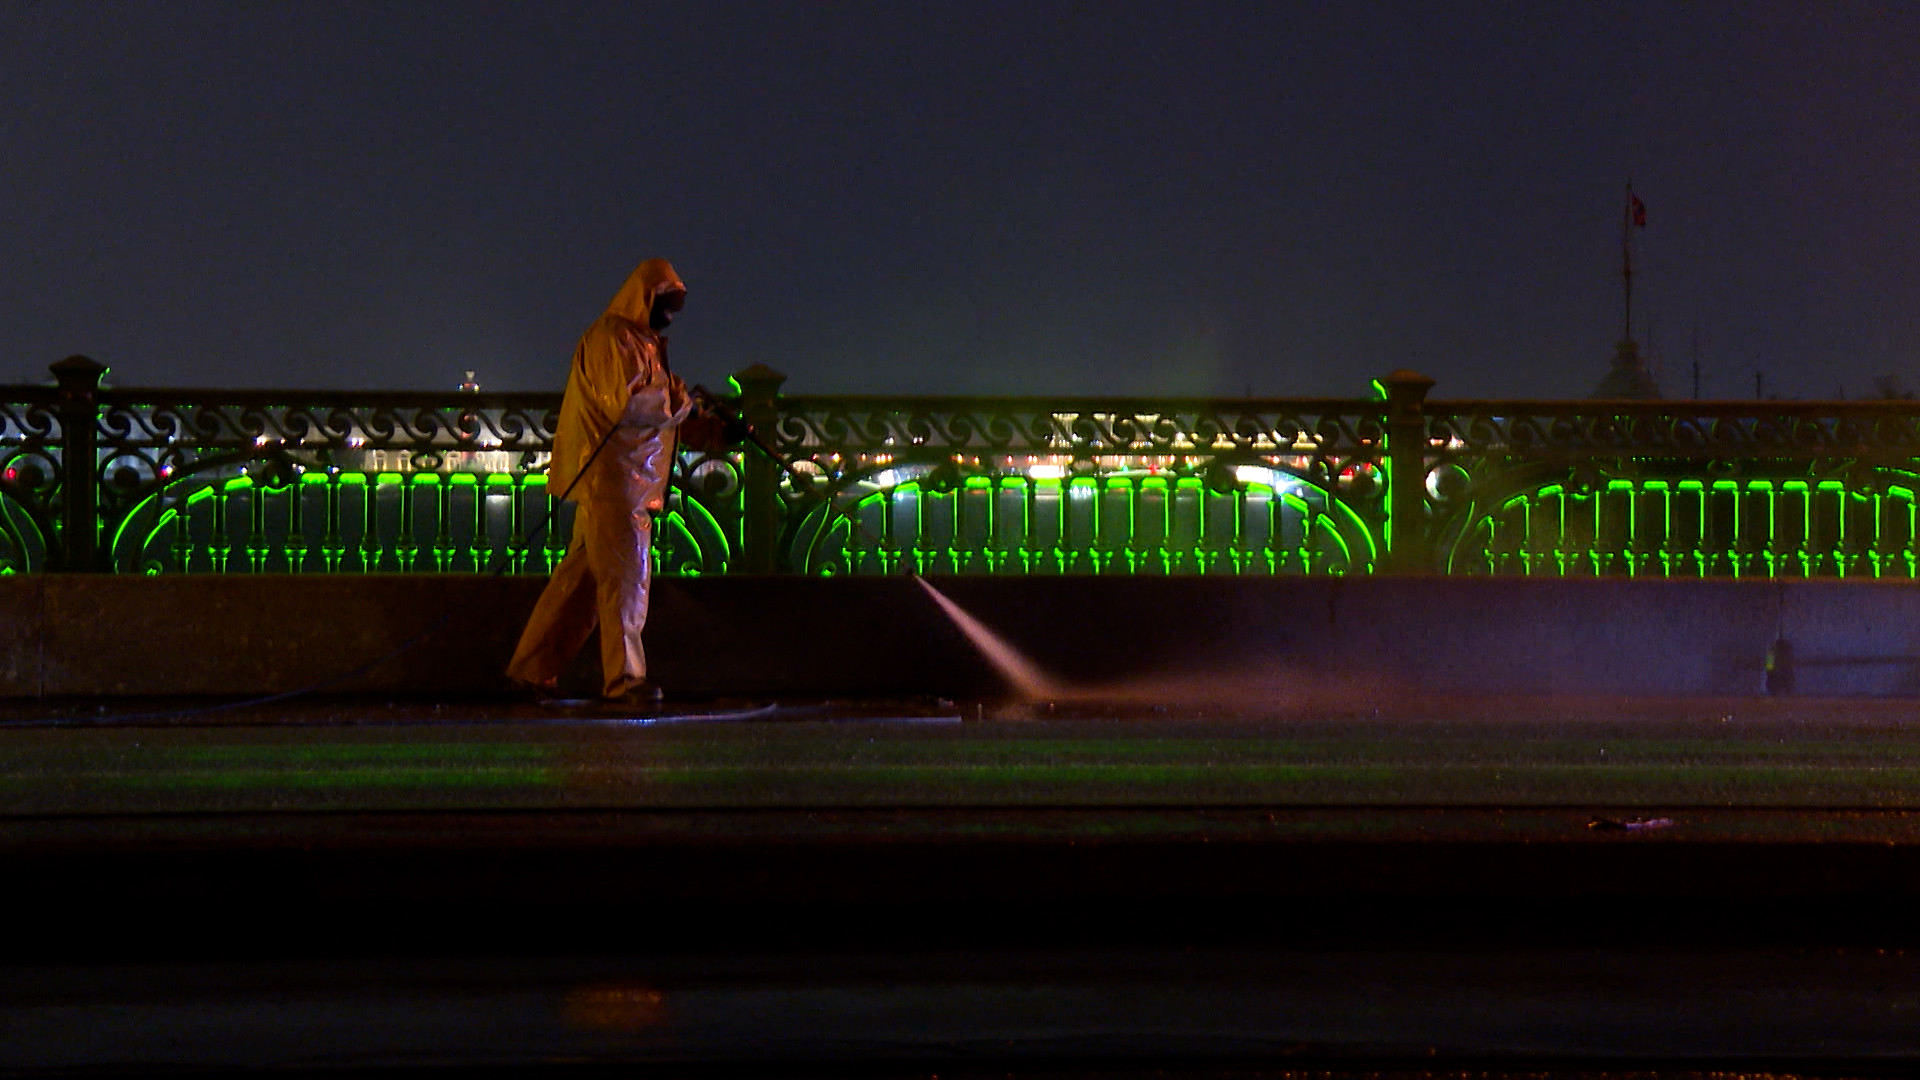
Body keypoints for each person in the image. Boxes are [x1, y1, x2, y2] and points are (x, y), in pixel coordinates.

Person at [507, 258, 693, 703]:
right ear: (645, 298)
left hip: (622, 481)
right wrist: (683, 400)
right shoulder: (614, 338)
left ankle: (531, 670)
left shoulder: (638, 342)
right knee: (628, 581)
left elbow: (658, 408)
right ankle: (626, 681)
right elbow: (629, 405)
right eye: (665, 302)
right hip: (615, 480)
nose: (670, 313)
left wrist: (698, 417)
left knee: (581, 585)